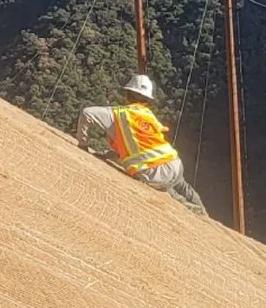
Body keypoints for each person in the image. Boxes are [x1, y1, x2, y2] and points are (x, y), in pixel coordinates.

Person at [75, 72, 206, 211]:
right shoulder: (148, 115)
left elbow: (87, 113)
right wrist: (108, 155)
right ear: (147, 100)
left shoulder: (117, 114)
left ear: (128, 94)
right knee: (184, 187)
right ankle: (203, 212)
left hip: (156, 173)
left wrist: (83, 145)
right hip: (175, 164)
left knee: (173, 195)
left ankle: (195, 212)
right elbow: (141, 148)